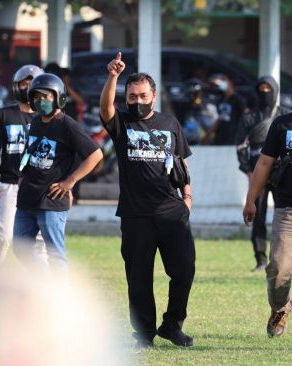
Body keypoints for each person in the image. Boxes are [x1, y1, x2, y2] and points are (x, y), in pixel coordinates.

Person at [100, 52, 196, 349]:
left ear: (153, 96)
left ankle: (172, 325)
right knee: (139, 278)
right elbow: (105, 109)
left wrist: (188, 197)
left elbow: (181, 162)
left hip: (171, 212)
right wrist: (113, 77)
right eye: (132, 96)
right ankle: (144, 333)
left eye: (142, 95)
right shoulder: (122, 124)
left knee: (185, 269)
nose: (137, 101)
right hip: (136, 215)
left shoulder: (169, 122)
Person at [242, 63, 292, 338]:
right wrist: (251, 200)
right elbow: (264, 163)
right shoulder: (282, 123)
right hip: (289, 210)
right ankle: (280, 308)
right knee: (278, 269)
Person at [13, 73, 102, 275]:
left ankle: (60, 296)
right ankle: (47, 287)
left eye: (47, 96)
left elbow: (95, 154)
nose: (41, 101)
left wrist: (70, 182)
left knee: (55, 253)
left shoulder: (67, 125)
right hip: (27, 197)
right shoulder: (35, 122)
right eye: (36, 97)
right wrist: (21, 174)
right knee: (21, 249)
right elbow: (29, 150)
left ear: (58, 97)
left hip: (52, 200)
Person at [0, 64, 44, 272]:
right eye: (22, 84)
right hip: (9, 183)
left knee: (39, 239)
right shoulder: (3, 115)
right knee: (3, 235)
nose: (26, 89)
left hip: (37, 185)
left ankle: (43, 281)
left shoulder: (45, 118)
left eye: (31, 85)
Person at [236, 75, 291, 270]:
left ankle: (282, 257)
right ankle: (260, 258)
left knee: (283, 215)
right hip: (256, 173)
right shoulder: (249, 118)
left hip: (281, 173)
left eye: (269, 89)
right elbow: (241, 147)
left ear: (275, 91)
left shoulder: (285, 115)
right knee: (257, 215)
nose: (265, 93)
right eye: (262, 89)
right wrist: (249, 171)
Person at [208, 73, 245, 145]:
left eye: (224, 80)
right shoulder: (221, 99)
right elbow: (219, 118)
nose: (222, 82)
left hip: (232, 137)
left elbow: (246, 114)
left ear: (231, 82)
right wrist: (209, 133)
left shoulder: (237, 99)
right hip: (220, 137)